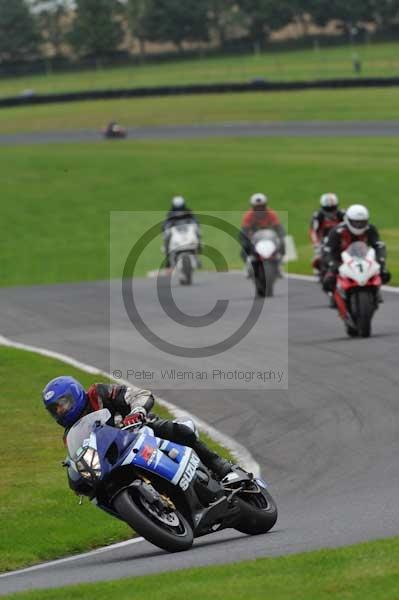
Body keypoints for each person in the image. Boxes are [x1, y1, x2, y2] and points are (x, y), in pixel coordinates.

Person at [42, 376, 233, 495]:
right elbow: (81, 456)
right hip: (114, 458)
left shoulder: (98, 393)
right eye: (54, 410)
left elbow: (139, 394)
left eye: (62, 404)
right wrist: (76, 471)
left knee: (180, 431)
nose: (60, 411)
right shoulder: (70, 434)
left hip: (138, 430)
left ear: (74, 394)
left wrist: (137, 412)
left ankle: (223, 468)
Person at [323, 204, 391, 293]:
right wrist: (333, 264)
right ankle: (335, 296)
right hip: (340, 260)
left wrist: (381, 262)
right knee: (328, 282)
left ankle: (375, 291)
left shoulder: (370, 229)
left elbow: (378, 245)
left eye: (362, 222)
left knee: (385, 274)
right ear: (348, 220)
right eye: (356, 222)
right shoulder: (337, 231)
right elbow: (328, 250)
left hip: (364, 258)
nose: (359, 225)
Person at [240, 193, 286, 265]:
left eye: (261, 207)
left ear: (265, 206)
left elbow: (278, 227)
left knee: (283, 242)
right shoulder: (248, 216)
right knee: (245, 246)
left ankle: (280, 259)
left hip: (269, 237)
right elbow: (244, 230)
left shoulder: (271, 214)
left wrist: (281, 236)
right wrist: (246, 238)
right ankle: (248, 262)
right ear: (253, 208)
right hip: (254, 238)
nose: (259, 210)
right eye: (257, 208)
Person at [309, 193, 345, 274]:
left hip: (339, 240)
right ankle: (320, 268)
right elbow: (313, 230)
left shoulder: (342, 214)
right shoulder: (318, 215)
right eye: (328, 209)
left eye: (332, 209)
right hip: (324, 240)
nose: (331, 213)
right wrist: (316, 243)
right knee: (318, 256)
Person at [162, 196, 200, 268]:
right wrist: (165, 228)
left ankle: (198, 251)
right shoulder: (170, 214)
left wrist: (196, 226)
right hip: (176, 233)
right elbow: (166, 224)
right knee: (166, 236)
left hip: (187, 232)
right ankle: (168, 255)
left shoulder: (188, 212)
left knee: (197, 231)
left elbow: (195, 221)